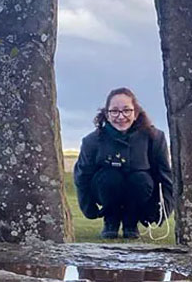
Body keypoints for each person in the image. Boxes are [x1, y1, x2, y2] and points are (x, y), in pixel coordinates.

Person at [73, 87, 174, 239]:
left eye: (127, 110)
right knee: (110, 177)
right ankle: (111, 222)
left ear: (136, 113)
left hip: (142, 190)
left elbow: (165, 177)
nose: (121, 116)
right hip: (104, 188)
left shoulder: (155, 138)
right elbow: (82, 177)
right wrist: (89, 209)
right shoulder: (91, 141)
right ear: (106, 114)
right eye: (114, 111)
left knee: (140, 178)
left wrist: (162, 211)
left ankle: (131, 224)